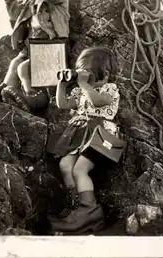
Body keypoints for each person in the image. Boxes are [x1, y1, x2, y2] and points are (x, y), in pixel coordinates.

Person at [49, 46, 124, 235]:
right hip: (80, 134)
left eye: (88, 73)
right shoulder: (81, 91)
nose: (84, 77)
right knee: (66, 165)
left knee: (79, 169)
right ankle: (76, 209)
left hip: (102, 135)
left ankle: (90, 211)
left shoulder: (110, 89)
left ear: (105, 74)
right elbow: (63, 104)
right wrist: (62, 84)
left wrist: (84, 85)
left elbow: (98, 102)